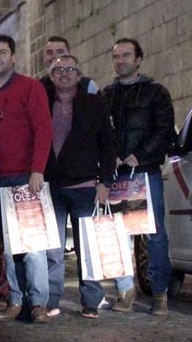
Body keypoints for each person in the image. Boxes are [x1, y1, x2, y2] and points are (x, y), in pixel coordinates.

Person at [0, 34, 54, 323]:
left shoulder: (31, 88)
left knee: (33, 244)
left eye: (3, 52)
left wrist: (37, 170)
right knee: (9, 245)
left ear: (13, 56)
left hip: (26, 178)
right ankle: (15, 300)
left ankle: (38, 303)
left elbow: (43, 130)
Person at [44, 54, 127, 318]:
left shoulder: (94, 104)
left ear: (79, 76)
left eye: (70, 69)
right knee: (52, 249)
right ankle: (51, 300)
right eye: (58, 70)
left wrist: (105, 182)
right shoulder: (43, 102)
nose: (64, 74)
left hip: (85, 186)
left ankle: (91, 301)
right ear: (51, 75)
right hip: (51, 187)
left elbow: (108, 144)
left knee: (88, 247)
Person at [101, 37, 176, 316]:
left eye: (125, 56)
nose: (120, 61)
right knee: (117, 235)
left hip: (145, 171)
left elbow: (163, 129)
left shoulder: (156, 92)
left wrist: (139, 156)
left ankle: (159, 293)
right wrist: (112, 158)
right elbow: (102, 132)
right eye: (116, 56)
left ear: (139, 60)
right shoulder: (106, 95)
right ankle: (125, 293)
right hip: (117, 175)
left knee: (154, 235)